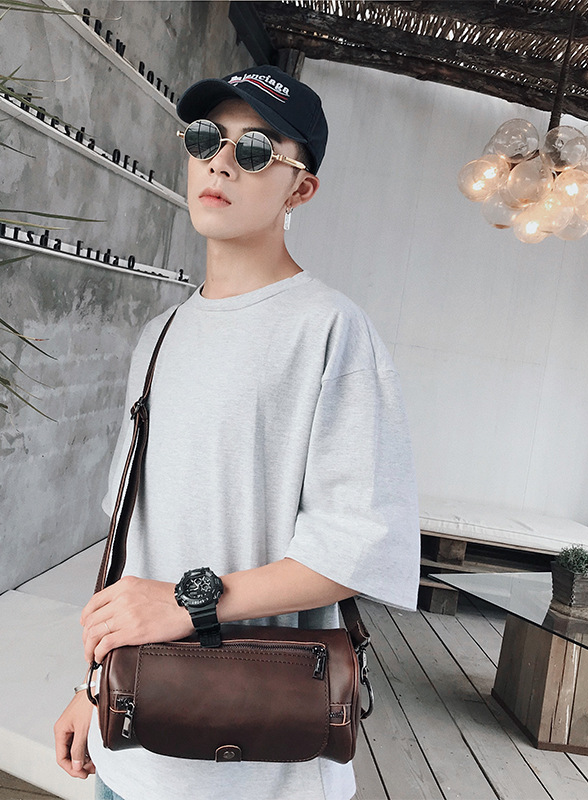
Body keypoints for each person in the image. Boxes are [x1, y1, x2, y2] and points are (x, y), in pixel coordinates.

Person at [54, 64, 420, 800]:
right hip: (133, 750)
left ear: (300, 189)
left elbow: (361, 545)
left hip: (265, 764)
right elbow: (133, 541)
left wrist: (187, 602)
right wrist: (90, 686)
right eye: (205, 138)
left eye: (255, 151)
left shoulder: (331, 330)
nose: (220, 162)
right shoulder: (160, 336)